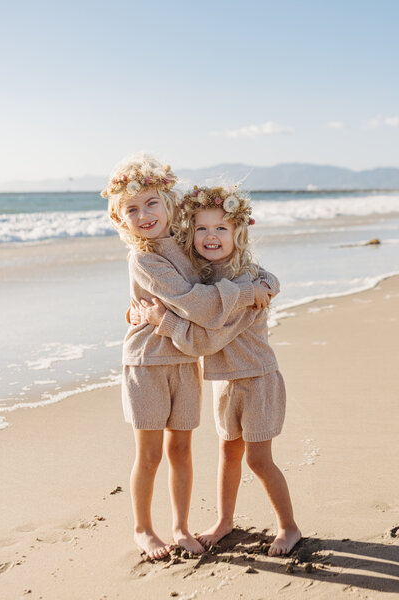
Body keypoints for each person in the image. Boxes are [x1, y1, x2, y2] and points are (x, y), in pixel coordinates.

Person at [101, 159, 271, 560]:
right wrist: (248, 294)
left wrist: (266, 283)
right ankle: (144, 529)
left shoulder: (188, 242)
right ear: (120, 219)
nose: (144, 215)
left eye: (152, 203)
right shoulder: (143, 259)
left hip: (185, 360)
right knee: (150, 453)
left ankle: (179, 526)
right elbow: (198, 304)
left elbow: (239, 268)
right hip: (147, 362)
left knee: (181, 449)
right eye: (132, 209)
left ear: (170, 204)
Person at [137, 185, 301, 556]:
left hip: (258, 378)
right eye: (202, 229)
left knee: (259, 459)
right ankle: (225, 520)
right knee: (228, 454)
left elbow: (205, 342)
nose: (211, 236)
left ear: (238, 233)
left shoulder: (246, 280)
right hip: (224, 382)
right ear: (190, 233)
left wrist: (165, 323)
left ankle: (288, 527)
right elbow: (192, 301)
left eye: (221, 229)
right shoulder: (204, 279)